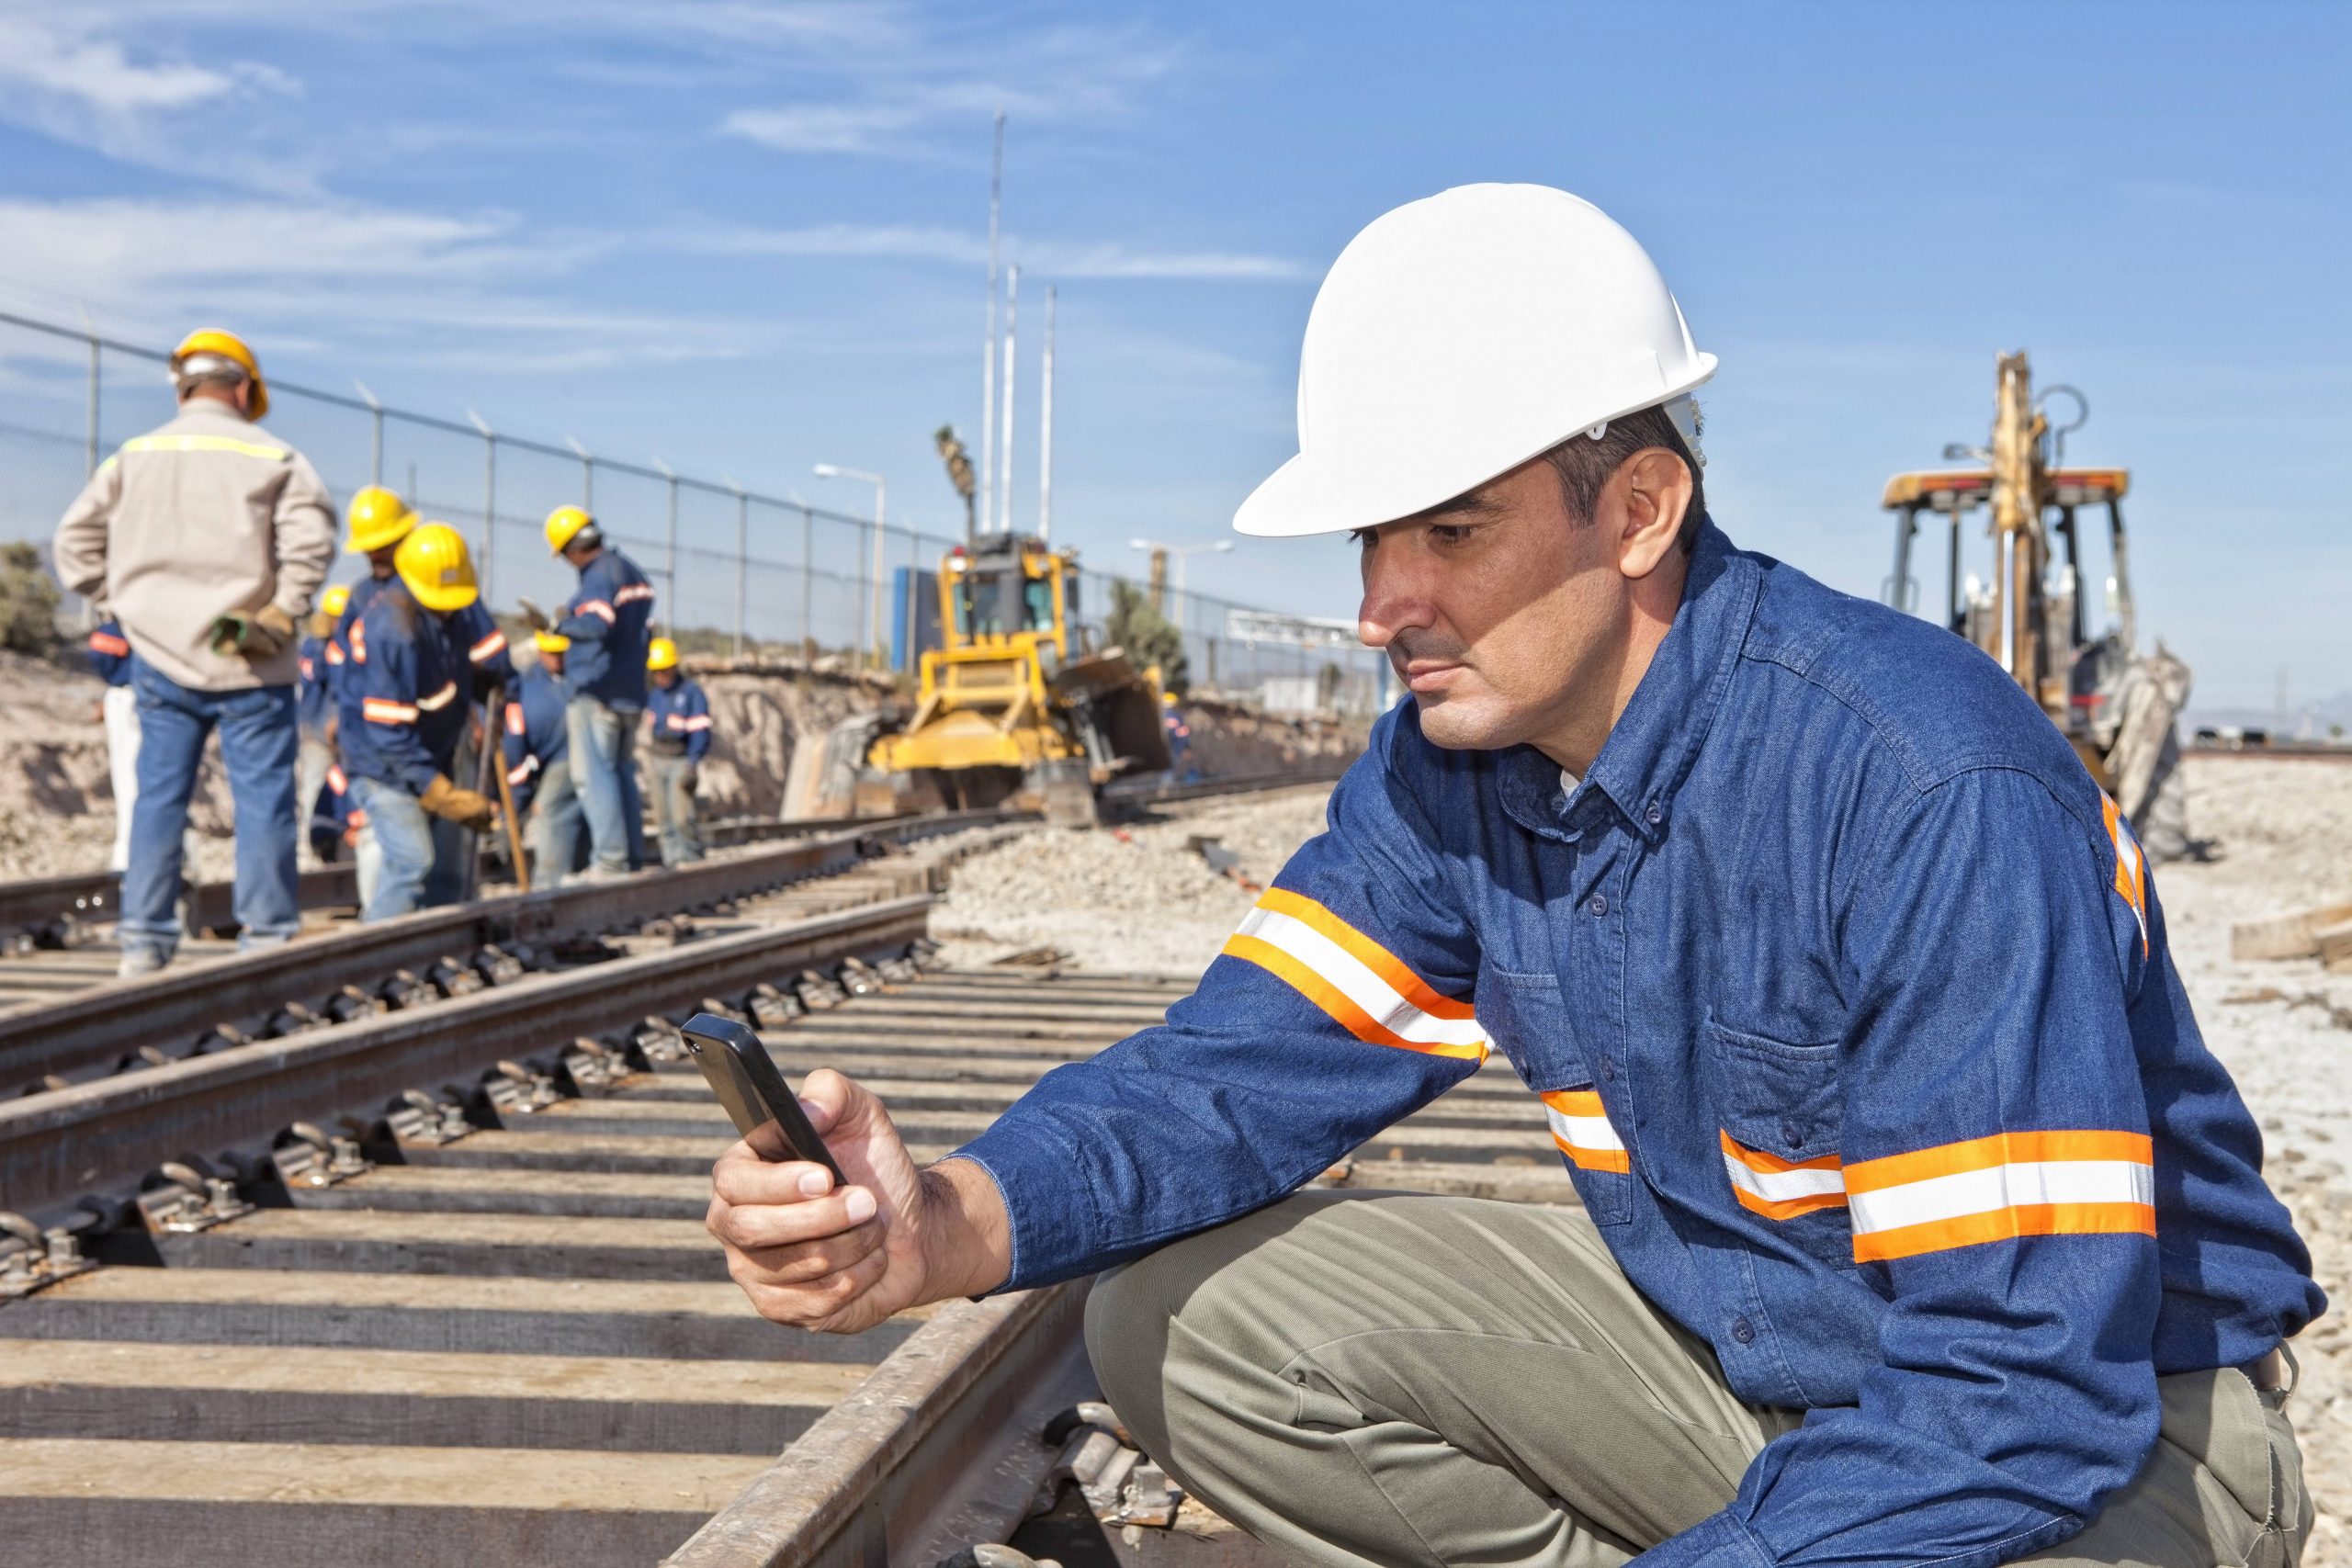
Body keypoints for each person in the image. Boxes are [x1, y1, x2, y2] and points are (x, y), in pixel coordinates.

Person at [703, 186, 2324, 1568]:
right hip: (1761, 1371)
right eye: (1370, 542)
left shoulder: (1921, 789)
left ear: (1638, 510)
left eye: (1451, 533)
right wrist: (946, 1219)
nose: (1381, 602)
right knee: (1181, 1322)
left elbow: (2018, 1393)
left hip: (2109, 1456)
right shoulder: (1454, 769)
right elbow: (1233, 1074)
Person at [52, 329, 335, 976]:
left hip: (158, 655)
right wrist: (282, 608)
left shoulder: (134, 456)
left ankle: (144, 942)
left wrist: (123, 602)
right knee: (262, 799)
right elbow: (311, 544)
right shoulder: (275, 455)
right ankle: (264, 941)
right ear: (242, 388)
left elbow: (74, 546)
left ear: (183, 387)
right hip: (251, 658)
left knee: (158, 798)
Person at [338, 523, 497, 921]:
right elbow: (388, 735)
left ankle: (433, 945)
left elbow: (478, 658)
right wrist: (439, 793)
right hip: (382, 764)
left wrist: (492, 680)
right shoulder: (393, 630)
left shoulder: (450, 611)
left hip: (430, 751)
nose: (449, 607)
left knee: (446, 866)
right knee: (412, 860)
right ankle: (372, 955)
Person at [541, 505, 654, 879]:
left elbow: (595, 624)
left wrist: (561, 625)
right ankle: (631, 857)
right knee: (620, 773)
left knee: (593, 776)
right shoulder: (630, 570)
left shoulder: (599, 576)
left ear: (573, 550)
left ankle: (610, 861)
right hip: (630, 692)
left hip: (599, 692)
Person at [503, 631, 588, 885]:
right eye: (552, 653)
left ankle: (548, 885)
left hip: (569, 753)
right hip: (554, 754)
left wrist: (511, 816)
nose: (558, 659)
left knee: (550, 811)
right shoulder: (528, 686)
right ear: (541, 652)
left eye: (561, 653)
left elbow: (517, 771)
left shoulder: (519, 704)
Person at [643, 637, 711, 866]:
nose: (660, 676)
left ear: (673, 667)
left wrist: (692, 762)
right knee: (663, 819)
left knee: (682, 817)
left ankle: (690, 859)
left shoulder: (691, 693)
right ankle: (672, 861)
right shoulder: (655, 694)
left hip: (681, 760)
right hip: (658, 759)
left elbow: (700, 732)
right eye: (656, 672)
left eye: (663, 671)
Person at [295, 582, 349, 866]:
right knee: (313, 788)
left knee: (340, 789)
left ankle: (333, 844)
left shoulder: (332, 646)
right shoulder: (319, 648)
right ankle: (308, 849)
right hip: (318, 732)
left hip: (336, 731)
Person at [85, 618, 138, 872]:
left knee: (129, 781)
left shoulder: (125, 618)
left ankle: (128, 859)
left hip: (129, 697)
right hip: (142, 697)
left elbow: (100, 651)